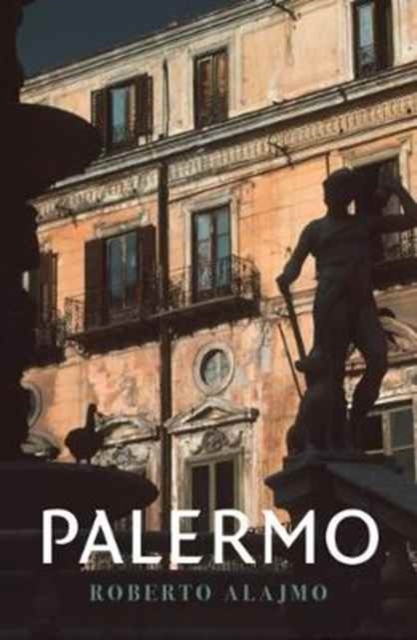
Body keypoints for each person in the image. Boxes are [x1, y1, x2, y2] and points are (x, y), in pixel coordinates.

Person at [277, 168, 417, 449]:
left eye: (335, 191)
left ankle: (355, 424)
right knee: (331, 374)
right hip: (332, 303)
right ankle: (332, 434)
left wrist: (397, 188)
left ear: (347, 196)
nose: (329, 196)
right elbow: (295, 263)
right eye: (328, 191)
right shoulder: (315, 230)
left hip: (362, 303)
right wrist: (286, 277)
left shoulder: (363, 224)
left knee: (378, 361)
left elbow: (412, 219)